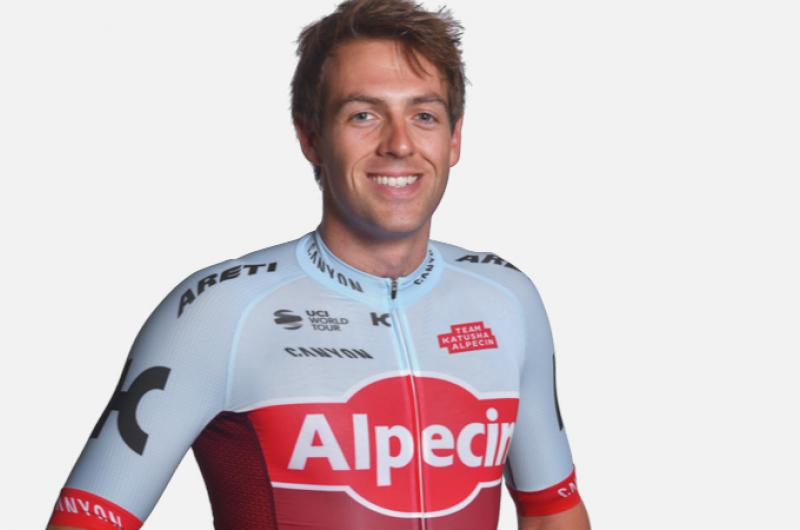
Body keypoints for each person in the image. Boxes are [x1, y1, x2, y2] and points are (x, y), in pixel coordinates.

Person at [46, 1, 590, 529]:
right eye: (364, 115)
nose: (399, 144)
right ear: (311, 137)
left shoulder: (507, 299)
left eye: (423, 115)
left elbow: (551, 512)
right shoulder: (220, 312)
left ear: (454, 139)